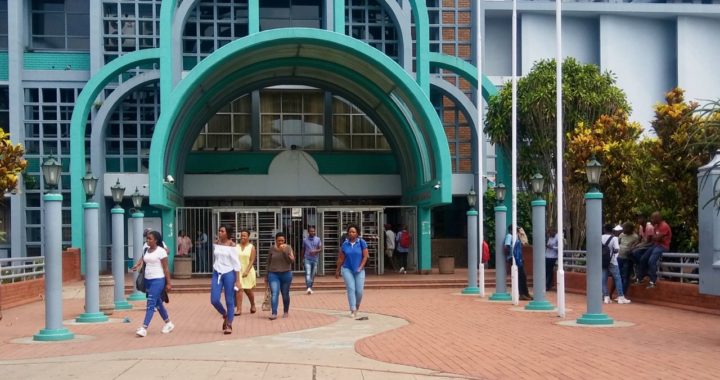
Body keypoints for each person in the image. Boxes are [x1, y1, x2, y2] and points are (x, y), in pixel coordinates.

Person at [131, 230, 174, 337]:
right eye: (147, 238)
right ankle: (168, 323)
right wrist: (137, 265)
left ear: (156, 240)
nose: (147, 240)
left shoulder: (161, 251)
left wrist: (168, 283)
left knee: (150, 303)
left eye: (150, 239)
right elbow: (144, 258)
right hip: (148, 280)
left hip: (158, 280)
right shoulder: (147, 249)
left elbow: (166, 268)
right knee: (158, 302)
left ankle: (144, 328)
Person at [210, 225, 241, 334]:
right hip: (217, 272)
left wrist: (237, 280)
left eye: (222, 231)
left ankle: (229, 324)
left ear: (227, 233)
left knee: (229, 300)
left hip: (229, 273)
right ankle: (225, 314)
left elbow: (236, 263)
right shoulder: (216, 243)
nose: (220, 232)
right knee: (214, 299)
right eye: (219, 231)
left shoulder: (232, 245)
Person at [336, 224, 369, 319]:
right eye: (350, 232)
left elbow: (365, 256)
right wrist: (337, 270)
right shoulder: (345, 244)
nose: (351, 233)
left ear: (357, 233)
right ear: (347, 233)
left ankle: (357, 305)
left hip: (359, 270)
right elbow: (341, 258)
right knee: (351, 289)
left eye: (353, 232)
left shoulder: (362, 242)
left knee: (359, 291)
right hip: (347, 269)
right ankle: (353, 309)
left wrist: (360, 267)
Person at [635, 211, 672, 289]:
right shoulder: (655, 226)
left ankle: (653, 281)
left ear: (657, 218)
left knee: (651, 261)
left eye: (652, 218)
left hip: (663, 246)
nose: (651, 220)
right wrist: (657, 238)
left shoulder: (664, 226)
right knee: (643, 258)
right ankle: (640, 277)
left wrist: (656, 238)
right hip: (656, 245)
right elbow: (654, 238)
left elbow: (656, 238)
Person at [266, 232, 295, 320]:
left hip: (286, 273)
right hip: (273, 274)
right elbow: (268, 262)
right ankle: (274, 313)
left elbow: (292, 261)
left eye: (282, 240)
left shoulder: (288, 248)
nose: (281, 242)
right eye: (279, 241)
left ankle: (286, 311)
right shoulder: (272, 249)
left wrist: (284, 252)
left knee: (285, 294)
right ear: (276, 240)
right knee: (274, 293)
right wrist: (266, 275)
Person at [602, 224, 631, 304]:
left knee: (603, 280)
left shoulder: (601, 237)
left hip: (603, 261)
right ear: (612, 230)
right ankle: (621, 297)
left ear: (604, 230)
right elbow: (617, 249)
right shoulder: (614, 238)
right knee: (617, 278)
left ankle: (606, 297)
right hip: (612, 261)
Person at [504, 225, 532, 301]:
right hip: (514, 259)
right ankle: (522, 294)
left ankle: (526, 293)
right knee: (520, 276)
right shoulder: (509, 236)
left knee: (523, 276)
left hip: (518, 259)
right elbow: (506, 247)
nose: (517, 231)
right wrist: (510, 257)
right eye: (516, 229)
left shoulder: (516, 237)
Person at [234, 229, 257, 316]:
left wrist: (247, 271)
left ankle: (253, 304)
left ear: (248, 237)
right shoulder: (236, 246)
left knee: (248, 290)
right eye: (241, 235)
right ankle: (239, 309)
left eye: (244, 235)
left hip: (248, 271)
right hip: (238, 271)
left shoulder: (251, 247)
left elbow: (252, 260)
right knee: (239, 289)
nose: (242, 237)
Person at [617, 222, 639, 297]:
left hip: (628, 258)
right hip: (619, 257)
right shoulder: (621, 235)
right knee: (618, 275)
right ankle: (619, 293)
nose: (623, 229)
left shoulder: (635, 236)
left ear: (630, 228)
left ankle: (622, 295)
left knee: (625, 276)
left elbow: (636, 246)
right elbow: (618, 243)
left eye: (625, 228)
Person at [302, 226, 322, 294]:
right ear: (308, 232)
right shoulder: (305, 240)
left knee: (313, 274)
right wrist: (302, 258)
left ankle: (310, 287)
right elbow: (303, 249)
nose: (312, 232)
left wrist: (315, 251)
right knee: (308, 273)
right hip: (307, 258)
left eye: (313, 231)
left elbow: (320, 249)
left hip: (315, 259)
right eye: (311, 231)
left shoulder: (318, 239)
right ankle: (308, 288)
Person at [545, 227, 558, 292]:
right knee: (546, 271)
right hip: (547, 256)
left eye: (550, 233)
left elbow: (560, 247)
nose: (549, 235)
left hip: (553, 257)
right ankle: (547, 284)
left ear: (554, 232)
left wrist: (552, 247)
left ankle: (547, 285)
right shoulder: (550, 237)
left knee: (549, 271)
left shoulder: (557, 237)